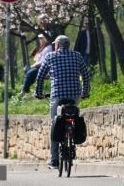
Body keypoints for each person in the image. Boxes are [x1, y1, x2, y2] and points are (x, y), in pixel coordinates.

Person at [35, 35, 90, 169]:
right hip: (75, 95)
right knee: (73, 115)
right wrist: (85, 92)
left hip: (57, 96)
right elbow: (86, 75)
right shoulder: (77, 56)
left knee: (54, 123)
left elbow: (40, 76)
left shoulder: (50, 57)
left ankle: (54, 160)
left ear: (57, 45)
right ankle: (72, 137)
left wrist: (39, 93)